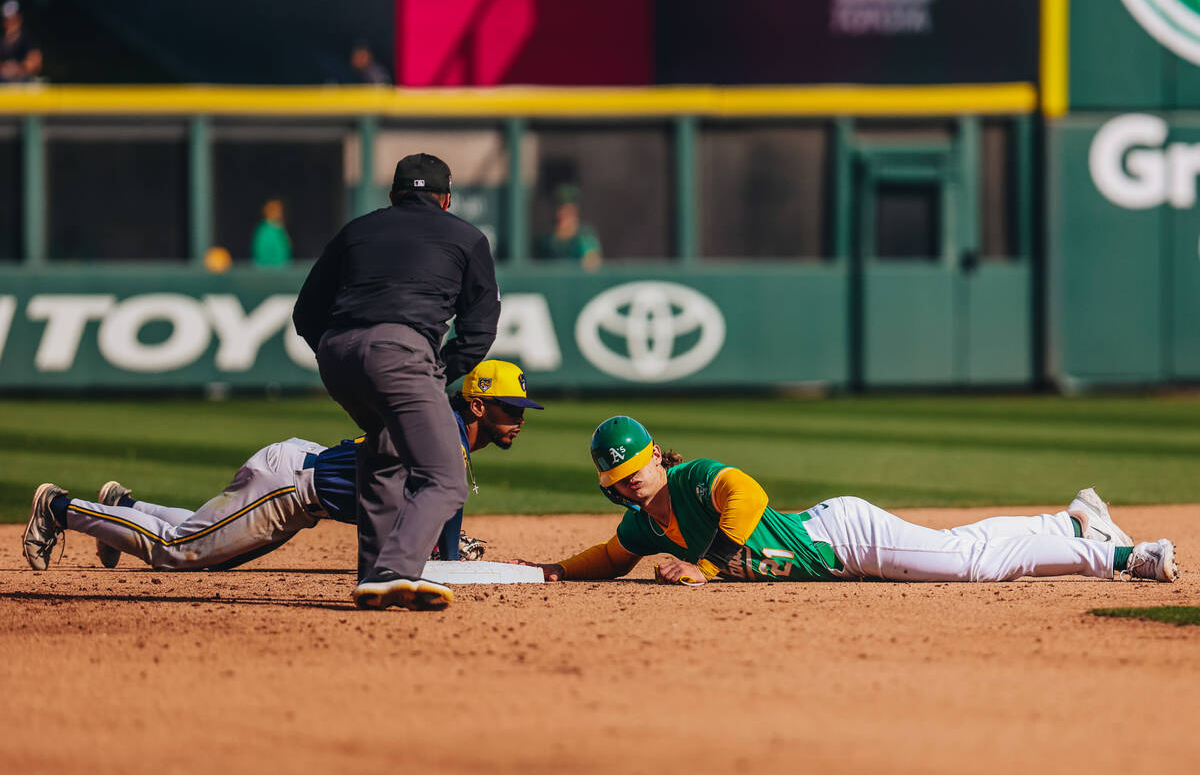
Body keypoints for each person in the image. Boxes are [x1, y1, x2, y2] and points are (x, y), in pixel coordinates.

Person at [516, 416, 1181, 586]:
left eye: (638, 467)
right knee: (969, 548)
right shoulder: (645, 526)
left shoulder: (693, 480)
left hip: (843, 539)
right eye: (622, 477)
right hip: (833, 546)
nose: (633, 481)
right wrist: (556, 572)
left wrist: (707, 566)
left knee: (972, 564)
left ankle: (1127, 556)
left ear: (658, 455)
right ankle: (1069, 520)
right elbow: (609, 555)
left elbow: (746, 495)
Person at [21, 360, 540, 575]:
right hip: (290, 488)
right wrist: (448, 556)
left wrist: (441, 546)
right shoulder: (445, 437)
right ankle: (60, 508)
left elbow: (429, 509)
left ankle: (122, 507)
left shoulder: (440, 429)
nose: (519, 418)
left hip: (297, 476)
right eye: (511, 409)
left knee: (199, 543)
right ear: (479, 406)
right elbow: (442, 537)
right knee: (182, 552)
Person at [292, 152, 501, 612]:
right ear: (447, 199)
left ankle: (374, 579)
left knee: (386, 454)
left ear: (392, 195)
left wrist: (343, 354)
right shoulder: (467, 237)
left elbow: (306, 312)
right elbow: (480, 328)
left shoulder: (356, 230)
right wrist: (436, 370)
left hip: (337, 353)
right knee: (445, 477)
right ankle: (395, 571)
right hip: (401, 352)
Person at [534, 184, 602, 271]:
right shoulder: (546, 239)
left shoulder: (584, 236)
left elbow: (592, 263)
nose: (562, 215)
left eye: (568, 211)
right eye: (559, 209)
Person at [0, 0, 40, 84]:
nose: (11, 23)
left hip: (23, 82)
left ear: (19, 18)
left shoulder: (27, 38)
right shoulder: (1, 40)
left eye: (14, 19)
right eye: (8, 20)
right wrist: (5, 68)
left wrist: (18, 68)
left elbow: (35, 62)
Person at [250, 199, 292, 268]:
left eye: (279, 210)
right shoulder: (263, 230)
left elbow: (284, 249)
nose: (279, 213)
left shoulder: (279, 228)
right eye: (275, 210)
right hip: (268, 272)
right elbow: (261, 253)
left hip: (283, 270)